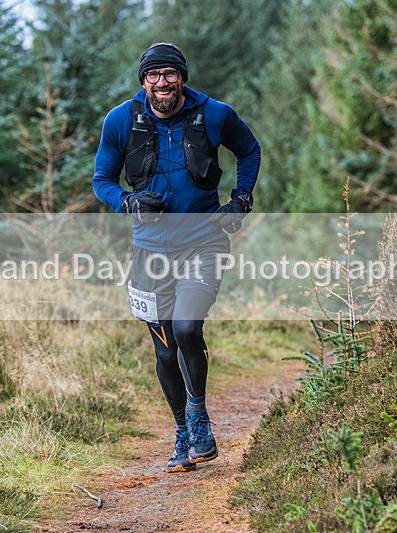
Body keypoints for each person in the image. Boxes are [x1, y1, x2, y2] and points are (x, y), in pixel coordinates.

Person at [92, 43, 260, 472]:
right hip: (149, 251)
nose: (162, 83)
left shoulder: (216, 114)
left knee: (187, 328)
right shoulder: (120, 121)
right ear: (143, 80)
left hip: (204, 242)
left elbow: (249, 150)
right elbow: (102, 181)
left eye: (170, 74)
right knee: (165, 350)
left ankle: (199, 416)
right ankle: (182, 432)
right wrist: (127, 202)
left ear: (181, 77)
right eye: (154, 75)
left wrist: (241, 199)